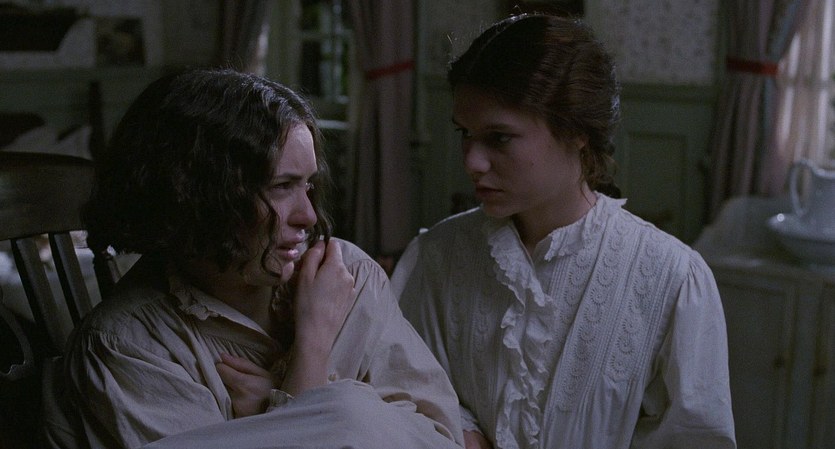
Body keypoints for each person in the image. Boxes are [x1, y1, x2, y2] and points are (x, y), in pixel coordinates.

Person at [43, 68, 464, 449]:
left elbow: (441, 439)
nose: (308, 215)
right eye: (281, 187)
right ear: (199, 197)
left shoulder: (347, 274)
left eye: (308, 185)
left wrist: (272, 406)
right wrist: (311, 361)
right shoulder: (130, 346)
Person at [391, 13, 736, 449]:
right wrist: (454, 423)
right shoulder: (438, 255)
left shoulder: (672, 277)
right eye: (465, 133)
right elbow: (396, 383)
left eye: (499, 137)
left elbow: (695, 438)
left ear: (575, 133)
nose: (472, 162)